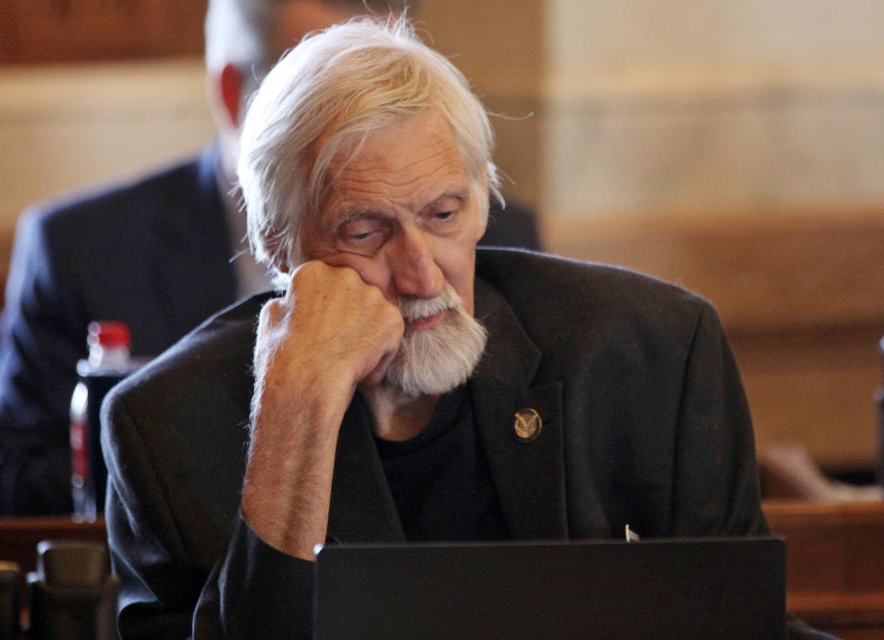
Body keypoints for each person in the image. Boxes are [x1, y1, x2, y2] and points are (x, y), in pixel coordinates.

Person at [101, 16, 833, 640]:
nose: (422, 274)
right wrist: (298, 408)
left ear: (483, 200)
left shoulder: (655, 356)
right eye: (365, 231)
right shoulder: (165, 429)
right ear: (276, 244)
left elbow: (741, 628)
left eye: (444, 216)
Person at [0, 0, 541, 515]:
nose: (420, 272)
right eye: (314, 80)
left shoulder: (509, 242)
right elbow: (6, 481)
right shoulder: (85, 249)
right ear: (234, 95)